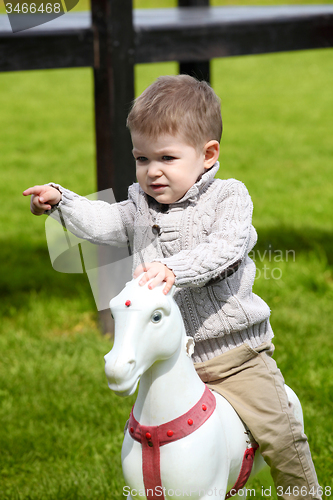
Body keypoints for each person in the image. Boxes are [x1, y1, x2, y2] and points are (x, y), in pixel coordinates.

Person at [23, 75, 321, 499]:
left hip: (234, 355)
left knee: (282, 434)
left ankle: (306, 494)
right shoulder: (139, 207)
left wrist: (173, 269)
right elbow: (104, 222)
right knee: (157, 442)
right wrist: (62, 201)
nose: (152, 170)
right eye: (141, 158)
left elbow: (226, 247)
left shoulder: (229, 198)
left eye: (166, 157)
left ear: (207, 154)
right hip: (170, 361)